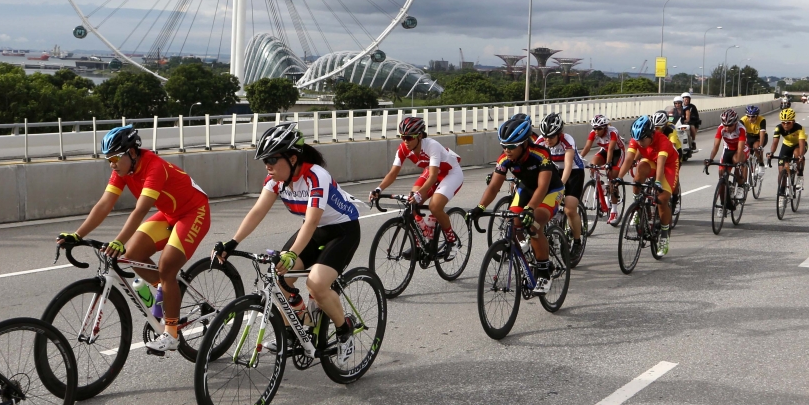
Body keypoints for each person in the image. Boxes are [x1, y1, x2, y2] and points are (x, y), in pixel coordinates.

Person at [56, 124, 211, 356]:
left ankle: (171, 334)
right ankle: (166, 291)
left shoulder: (154, 167)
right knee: (131, 255)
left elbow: (139, 211)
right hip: (170, 214)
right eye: (108, 159)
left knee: (167, 266)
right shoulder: (122, 171)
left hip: (194, 211)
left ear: (131, 152)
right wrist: (78, 234)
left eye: (116, 157)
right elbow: (104, 204)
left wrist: (118, 240)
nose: (112, 163)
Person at [214, 123, 360, 360]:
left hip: (342, 232)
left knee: (316, 284)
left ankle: (345, 328)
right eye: (264, 161)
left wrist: (291, 254)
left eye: (272, 159)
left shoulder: (316, 176)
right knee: (278, 275)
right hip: (314, 231)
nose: (267, 166)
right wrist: (233, 242)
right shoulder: (275, 181)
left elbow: (312, 221)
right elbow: (257, 212)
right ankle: (296, 327)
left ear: (293, 159)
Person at [472, 113, 563, 293]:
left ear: (524, 144)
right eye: (504, 146)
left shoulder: (541, 154)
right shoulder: (505, 159)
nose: (507, 150)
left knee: (534, 224)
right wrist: (480, 207)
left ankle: (544, 271)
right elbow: (493, 187)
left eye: (511, 146)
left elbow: (543, 187)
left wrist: (530, 208)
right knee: (514, 220)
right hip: (526, 189)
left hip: (550, 191)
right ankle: (527, 252)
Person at [368, 115, 463, 259]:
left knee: (435, 206)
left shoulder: (432, 145)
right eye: (403, 137)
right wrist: (378, 189)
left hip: (450, 173)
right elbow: (393, 173)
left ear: (419, 136)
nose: (405, 141)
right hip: (432, 172)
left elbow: (432, 176)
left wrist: (421, 193)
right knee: (411, 201)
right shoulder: (403, 149)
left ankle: (452, 241)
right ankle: (422, 240)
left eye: (409, 137)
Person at [616, 115, 678, 256]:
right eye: (637, 140)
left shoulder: (663, 141)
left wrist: (657, 182)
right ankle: (638, 207)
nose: (640, 143)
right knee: (640, 171)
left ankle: (664, 234)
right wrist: (618, 178)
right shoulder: (637, 139)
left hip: (668, 166)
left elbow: (661, 165)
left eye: (643, 140)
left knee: (662, 199)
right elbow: (629, 159)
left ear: (651, 134)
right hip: (651, 161)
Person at [536, 112, 584, 256]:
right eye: (544, 136)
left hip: (573, 172)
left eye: (550, 137)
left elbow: (568, 165)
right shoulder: (540, 141)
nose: (547, 140)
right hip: (553, 170)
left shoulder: (567, 140)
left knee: (569, 208)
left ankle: (577, 242)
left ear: (559, 134)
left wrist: (561, 186)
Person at [581, 114, 624, 224]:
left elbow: (611, 150)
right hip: (604, 150)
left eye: (599, 128)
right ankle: (600, 187)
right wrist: (579, 159)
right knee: (593, 165)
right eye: (594, 128)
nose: (596, 131)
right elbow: (587, 147)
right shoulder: (593, 133)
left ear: (605, 127)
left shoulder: (612, 132)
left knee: (612, 177)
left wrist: (608, 164)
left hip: (617, 152)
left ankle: (614, 211)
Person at [766, 107, 808, 192]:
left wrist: (801, 155)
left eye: (788, 122)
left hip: (799, 145)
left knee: (797, 153)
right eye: (783, 122)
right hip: (787, 145)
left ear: (793, 121)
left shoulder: (799, 128)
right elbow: (775, 142)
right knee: (781, 170)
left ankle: (800, 175)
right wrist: (771, 153)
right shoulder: (778, 128)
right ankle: (781, 193)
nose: (785, 125)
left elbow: (801, 143)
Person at [706, 108, 748, 190]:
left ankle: (740, 187)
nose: (727, 128)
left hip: (741, 149)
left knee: (737, 162)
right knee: (722, 174)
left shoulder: (741, 129)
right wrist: (710, 159)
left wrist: (739, 164)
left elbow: (740, 149)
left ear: (735, 123)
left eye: (730, 125)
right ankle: (726, 196)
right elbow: (716, 146)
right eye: (725, 125)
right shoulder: (721, 128)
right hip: (728, 149)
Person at [652, 110, 683, 210]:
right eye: (654, 127)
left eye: (658, 128)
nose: (656, 130)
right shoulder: (654, 131)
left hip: (674, 152)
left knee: (674, 174)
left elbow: (672, 146)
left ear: (664, 125)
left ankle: (675, 198)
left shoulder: (671, 130)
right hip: (661, 151)